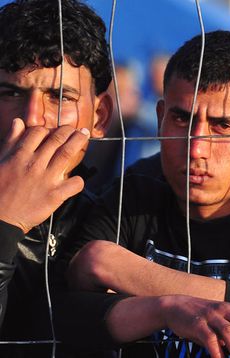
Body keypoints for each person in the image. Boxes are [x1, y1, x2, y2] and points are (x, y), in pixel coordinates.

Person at [63, 30, 230, 358]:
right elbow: (62, 312)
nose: (196, 148)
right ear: (160, 117)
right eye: (182, 119)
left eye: (223, 126)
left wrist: (108, 263)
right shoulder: (136, 189)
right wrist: (166, 309)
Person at [0, 0, 114, 355]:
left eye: (60, 96)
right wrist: (6, 220)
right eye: (11, 93)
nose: (33, 118)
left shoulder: (119, 214)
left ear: (99, 117)